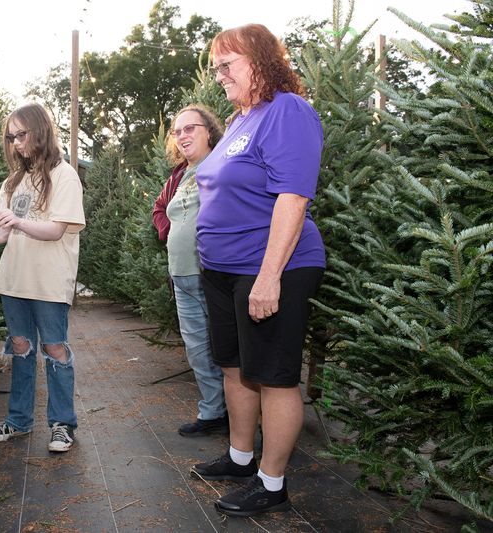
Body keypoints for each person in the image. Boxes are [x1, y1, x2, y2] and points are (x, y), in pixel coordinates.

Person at [189, 24, 326, 517]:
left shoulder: (287, 110)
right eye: (217, 66)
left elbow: (293, 196)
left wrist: (270, 276)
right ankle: (240, 457)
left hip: (270, 266)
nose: (219, 74)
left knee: (273, 375)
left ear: (261, 60)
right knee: (234, 367)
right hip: (222, 269)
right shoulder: (241, 119)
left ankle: (271, 483)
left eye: (228, 64)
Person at [0, 102, 85, 453]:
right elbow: (3, 233)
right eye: (11, 137)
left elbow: (54, 231)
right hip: (14, 280)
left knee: (54, 349)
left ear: (40, 130)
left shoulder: (64, 175)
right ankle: (19, 422)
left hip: (49, 281)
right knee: (20, 348)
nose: (17, 143)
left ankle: (62, 425)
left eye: (22, 134)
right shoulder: (13, 181)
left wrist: (16, 222)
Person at [152, 105, 227, 437]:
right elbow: (159, 207)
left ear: (208, 130)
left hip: (213, 275)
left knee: (225, 348)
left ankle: (242, 417)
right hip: (181, 275)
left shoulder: (223, 164)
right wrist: (171, 231)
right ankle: (213, 412)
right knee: (197, 348)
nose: (182, 135)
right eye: (176, 131)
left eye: (189, 128)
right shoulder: (179, 174)